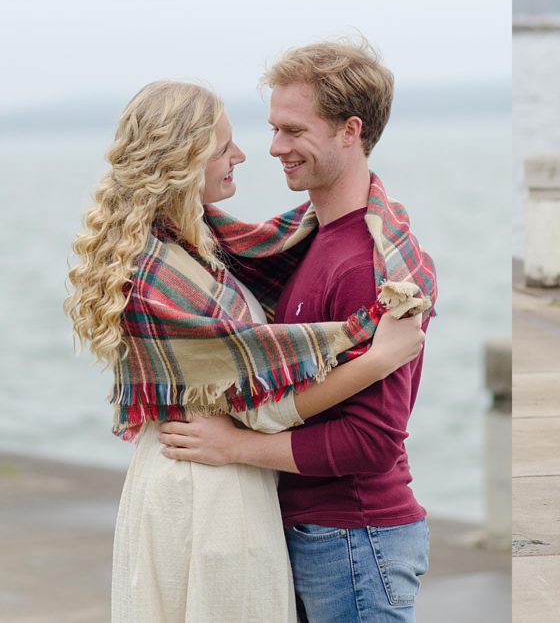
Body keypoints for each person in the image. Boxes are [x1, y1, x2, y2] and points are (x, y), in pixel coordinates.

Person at [64, 79, 431, 622]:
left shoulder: (199, 246)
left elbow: (276, 260)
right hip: (205, 489)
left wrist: (381, 213)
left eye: (289, 129)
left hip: (210, 476)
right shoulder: (159, 273)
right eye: (223, 147)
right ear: (184, 159)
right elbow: (258, 399)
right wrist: (376, 356)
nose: (246, 154)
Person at [159, 40, 435, 621]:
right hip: (321, 534)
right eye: (273, 127)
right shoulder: (309, 240)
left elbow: (372, 439)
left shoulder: (365, 264)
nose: (274, 147)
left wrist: (236, 446)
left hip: (354, 541)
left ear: (349, 130)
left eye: (292, 130)